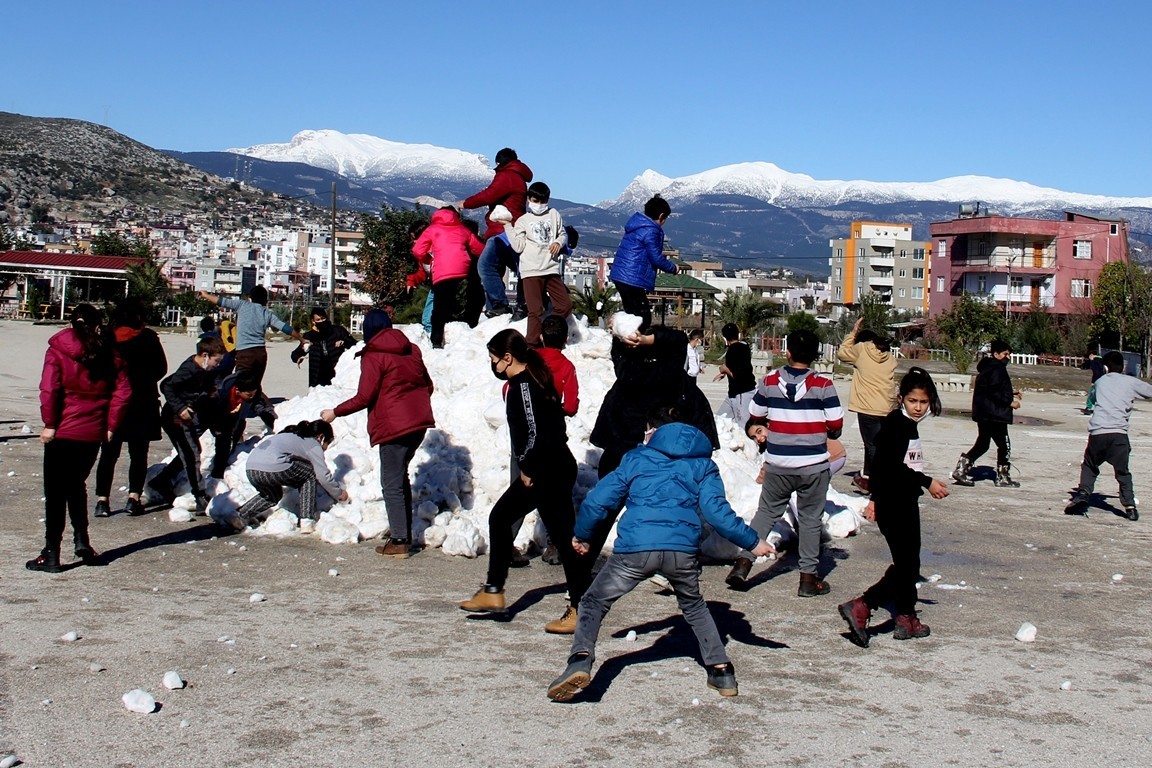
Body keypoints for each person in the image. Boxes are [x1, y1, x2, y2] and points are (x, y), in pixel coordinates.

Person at [547, 408, 775, 702]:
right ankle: (721, 670)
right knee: (694, 606)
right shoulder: (703, 465)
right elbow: (717, 514)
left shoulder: (637, 459)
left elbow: (599, 499)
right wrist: (753, 541)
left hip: (635, 550)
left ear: (653, 432)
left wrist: (583, 535)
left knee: (593, 601)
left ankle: (579, 660)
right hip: (682, 552)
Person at [458, 329, 594, 634]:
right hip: (554, 467)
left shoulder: (523, 385)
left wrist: (528, 467)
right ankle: (576, 603)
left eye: (494, 359)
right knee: (560, 535)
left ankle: (500, 591)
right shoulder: (533, 377)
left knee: (502, 517)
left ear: (508, 358)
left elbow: (536, 431)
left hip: (547, 470)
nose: (493, 366)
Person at [727, 329, 843, 596]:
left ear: (787, 352)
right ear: (816, 355)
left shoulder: (770, 381)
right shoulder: (824, 385)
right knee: (811, 519)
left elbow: (755, 414)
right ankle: (808, 579)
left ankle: (743, 563)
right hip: (813, 464)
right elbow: (835, 424)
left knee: (766, 513)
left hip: (778, 462)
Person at [838, 368, 949, 647]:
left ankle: (905, 617)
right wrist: (927, 481)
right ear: (902, 399)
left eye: (923, 402)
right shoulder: (896, 426)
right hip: (896, 504)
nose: (918, 407)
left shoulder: (907, 425)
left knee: (909, 564)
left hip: (903, 501)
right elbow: (888, 467)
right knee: (907, 566)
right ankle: (862, 605)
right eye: (913, 401)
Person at [322, 309, 434, 558]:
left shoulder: (374, 355)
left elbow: (365, 396)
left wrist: (335, 412)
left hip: (395, 426)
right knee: (399, 477)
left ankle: (400, 540)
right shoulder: (412, 350)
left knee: (391, 483)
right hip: (419, 423)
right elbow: (429, 385)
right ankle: (402, 532)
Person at [27, 304, 131, 572]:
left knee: (55, 492)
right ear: (98, 324)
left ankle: (51, 553)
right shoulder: (110, 354)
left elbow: (49, 389)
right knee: (76, 485)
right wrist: (111, 425)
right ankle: (82, 540)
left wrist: (50, 423)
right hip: (92, 431)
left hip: (63, 429)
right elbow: (123, 391)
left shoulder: (58, 350)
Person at [93, 298, 168, 518]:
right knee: (138, 454)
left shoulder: (107, 338)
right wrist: (143, 381)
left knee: (108, 454)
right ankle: (133, 497)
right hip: (143, 401)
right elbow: (161, 369)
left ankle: (102, 500)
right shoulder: (148, 338)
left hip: (113, 402)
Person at [1064, 351, 1152, 521]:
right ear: (1123, 366)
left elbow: (1095, 399)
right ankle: (1130, 506)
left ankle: (1083, 493)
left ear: (1105, 367)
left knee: (1090, 465)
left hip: (1098, 433)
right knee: (1122, 472)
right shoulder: (1130, 382)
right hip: (1119, 434)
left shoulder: (1100, 382)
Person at [148, 336, 228, 510]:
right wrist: (180, 407)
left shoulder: (204, 370)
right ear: (205, 355)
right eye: (216, 360)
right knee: (191, 454)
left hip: (186, 418)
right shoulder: (189, 369)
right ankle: (198, 495)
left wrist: (210, 392)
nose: (217, 364)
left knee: (191, 452)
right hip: (174, 418)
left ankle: (161, 481)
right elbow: (167, 386)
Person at [231, 419, 348, 532]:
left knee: (272, 495)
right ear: (321, 437)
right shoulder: (313, 443)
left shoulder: (292, 436)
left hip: (252, 469)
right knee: (309, 474)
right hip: (273, 467)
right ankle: (307, 521)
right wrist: (339, 494)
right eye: (328, 442)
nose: (325, 448)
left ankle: (239, 516)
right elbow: (322, 475)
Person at [458, 147, 533, 317]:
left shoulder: (507, 175)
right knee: (519, 268)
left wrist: (465, 204)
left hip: (502, 229)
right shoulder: (518, 177)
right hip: (513, 228)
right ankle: (522, 302)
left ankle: (499, 304)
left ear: (499, 162)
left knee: (486, 265)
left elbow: (489, 195)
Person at [501, 182, 572, 347]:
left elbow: (562, 234)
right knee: (535, 310)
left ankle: (549, 331)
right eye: (535, 200)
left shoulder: (554, 214)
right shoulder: (523, 220)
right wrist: (507, 227)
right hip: (531, 271)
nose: (539, 205)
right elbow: (518, 246)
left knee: (564, 305)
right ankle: (532, 345)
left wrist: (558, 242)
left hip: (551, 268)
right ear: (528, 199)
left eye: (543, 201)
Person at [836, 318, 897, 493]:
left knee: (872, 445)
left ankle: (879, 483)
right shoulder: (888, 355)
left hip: (867, 407)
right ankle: (867, 478)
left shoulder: (861, 349)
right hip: (887, 407)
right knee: (879, 445)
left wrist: (853, 332)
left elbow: (842, 353)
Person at [410, 206, 485, 349]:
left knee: (439, 308)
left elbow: (417, 250)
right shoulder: (463, 230)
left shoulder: (432, 229)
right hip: (463, 269)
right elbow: (479, 249)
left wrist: (428, 259)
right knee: (458, 301)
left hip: (442, 271)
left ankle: (437, 341)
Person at [199, 286, 302, 389]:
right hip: (260, 353)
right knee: (254, 386)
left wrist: (205, 295)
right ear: (265, 301)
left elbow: (221, 301)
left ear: (250, 298)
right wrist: (301, 339)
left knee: (241, 386)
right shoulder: (267, 314)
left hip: (245, 353)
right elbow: (285, 328)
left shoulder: (242, 305)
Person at [950, 339, 1021, 488]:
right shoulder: (997, 369)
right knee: (1004, 446)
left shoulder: (987, 368)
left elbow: (990, 388)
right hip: (994, 415)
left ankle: (961, 470)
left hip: (984, 413)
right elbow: (994, 391)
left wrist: (1010, 392)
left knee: (983, 444)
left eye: (1009, 354)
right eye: (1005, 354)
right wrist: (1009, 402)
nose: (1007, 357)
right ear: (996, 354)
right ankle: (1003, 477)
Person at [608, 195, 677, 330]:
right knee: (642, 319)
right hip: (632, 278)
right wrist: (673, 268)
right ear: (662, 216)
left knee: (632, 315)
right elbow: (656, 258)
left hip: (622, 275)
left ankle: (624, 340)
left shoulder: (637, 226)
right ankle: (629, 343)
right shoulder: (651, 230)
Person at [290, 306, 355, 386]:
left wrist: (344, 342)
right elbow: (295, 354)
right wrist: (298, 357)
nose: (321, 321)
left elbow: (355, 344)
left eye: (323, 318)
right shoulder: (309, 336)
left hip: (337, 373)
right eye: (318, 320)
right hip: (317, 376)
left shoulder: (338, 331)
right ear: (313, 321)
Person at [713, 323, 756, 424]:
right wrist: (724, 373)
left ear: (725, 337)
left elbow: (738, 376)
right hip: (734, 394)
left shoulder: (733, 350)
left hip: (742, 393)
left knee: (743, 425)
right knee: (720, 420)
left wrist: (724, 369)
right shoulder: (744, 347)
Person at [538, 315, 579, 418]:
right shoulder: (567, 367)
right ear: (566, 339)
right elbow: (570, 407)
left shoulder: (529, 358)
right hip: (551, 419)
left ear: (541, 337)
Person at [1081, 349, 1107, 415]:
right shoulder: (1103, 360)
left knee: (1092, 393)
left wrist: (1093, 381)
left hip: (1097, 379)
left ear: (1091, 355)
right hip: (1104, 379)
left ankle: (1089, 408)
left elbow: (1096, 371)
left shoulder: (1094, 361)